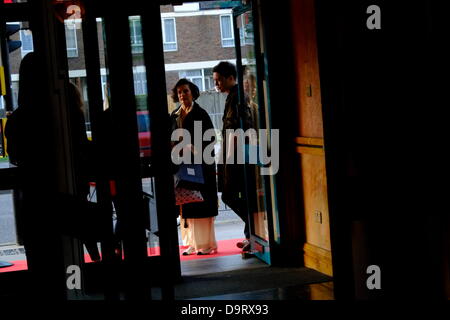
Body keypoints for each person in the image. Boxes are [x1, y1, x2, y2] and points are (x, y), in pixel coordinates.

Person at [170, 79, 218, 255]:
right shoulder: (175, 114)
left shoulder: (201, 113)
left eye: (186, 91)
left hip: (201, 166)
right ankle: (191, 243)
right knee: (187, 203)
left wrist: (193, 148)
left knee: (201, 204)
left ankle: (205, 244)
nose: (182, 95)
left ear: (193, 93)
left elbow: (211, 138)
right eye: (180, 92)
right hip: (182, 165)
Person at [213, 61, 254, 252]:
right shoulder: (232, 97)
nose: (217, 84)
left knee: (230, 195)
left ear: (231, 78)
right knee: (237, 196)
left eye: (219, 80)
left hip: (238, 157)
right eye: (215, 81)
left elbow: (241, 128)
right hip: (234, 155)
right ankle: (252, 234)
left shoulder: (238, 98)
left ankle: (254, 232)